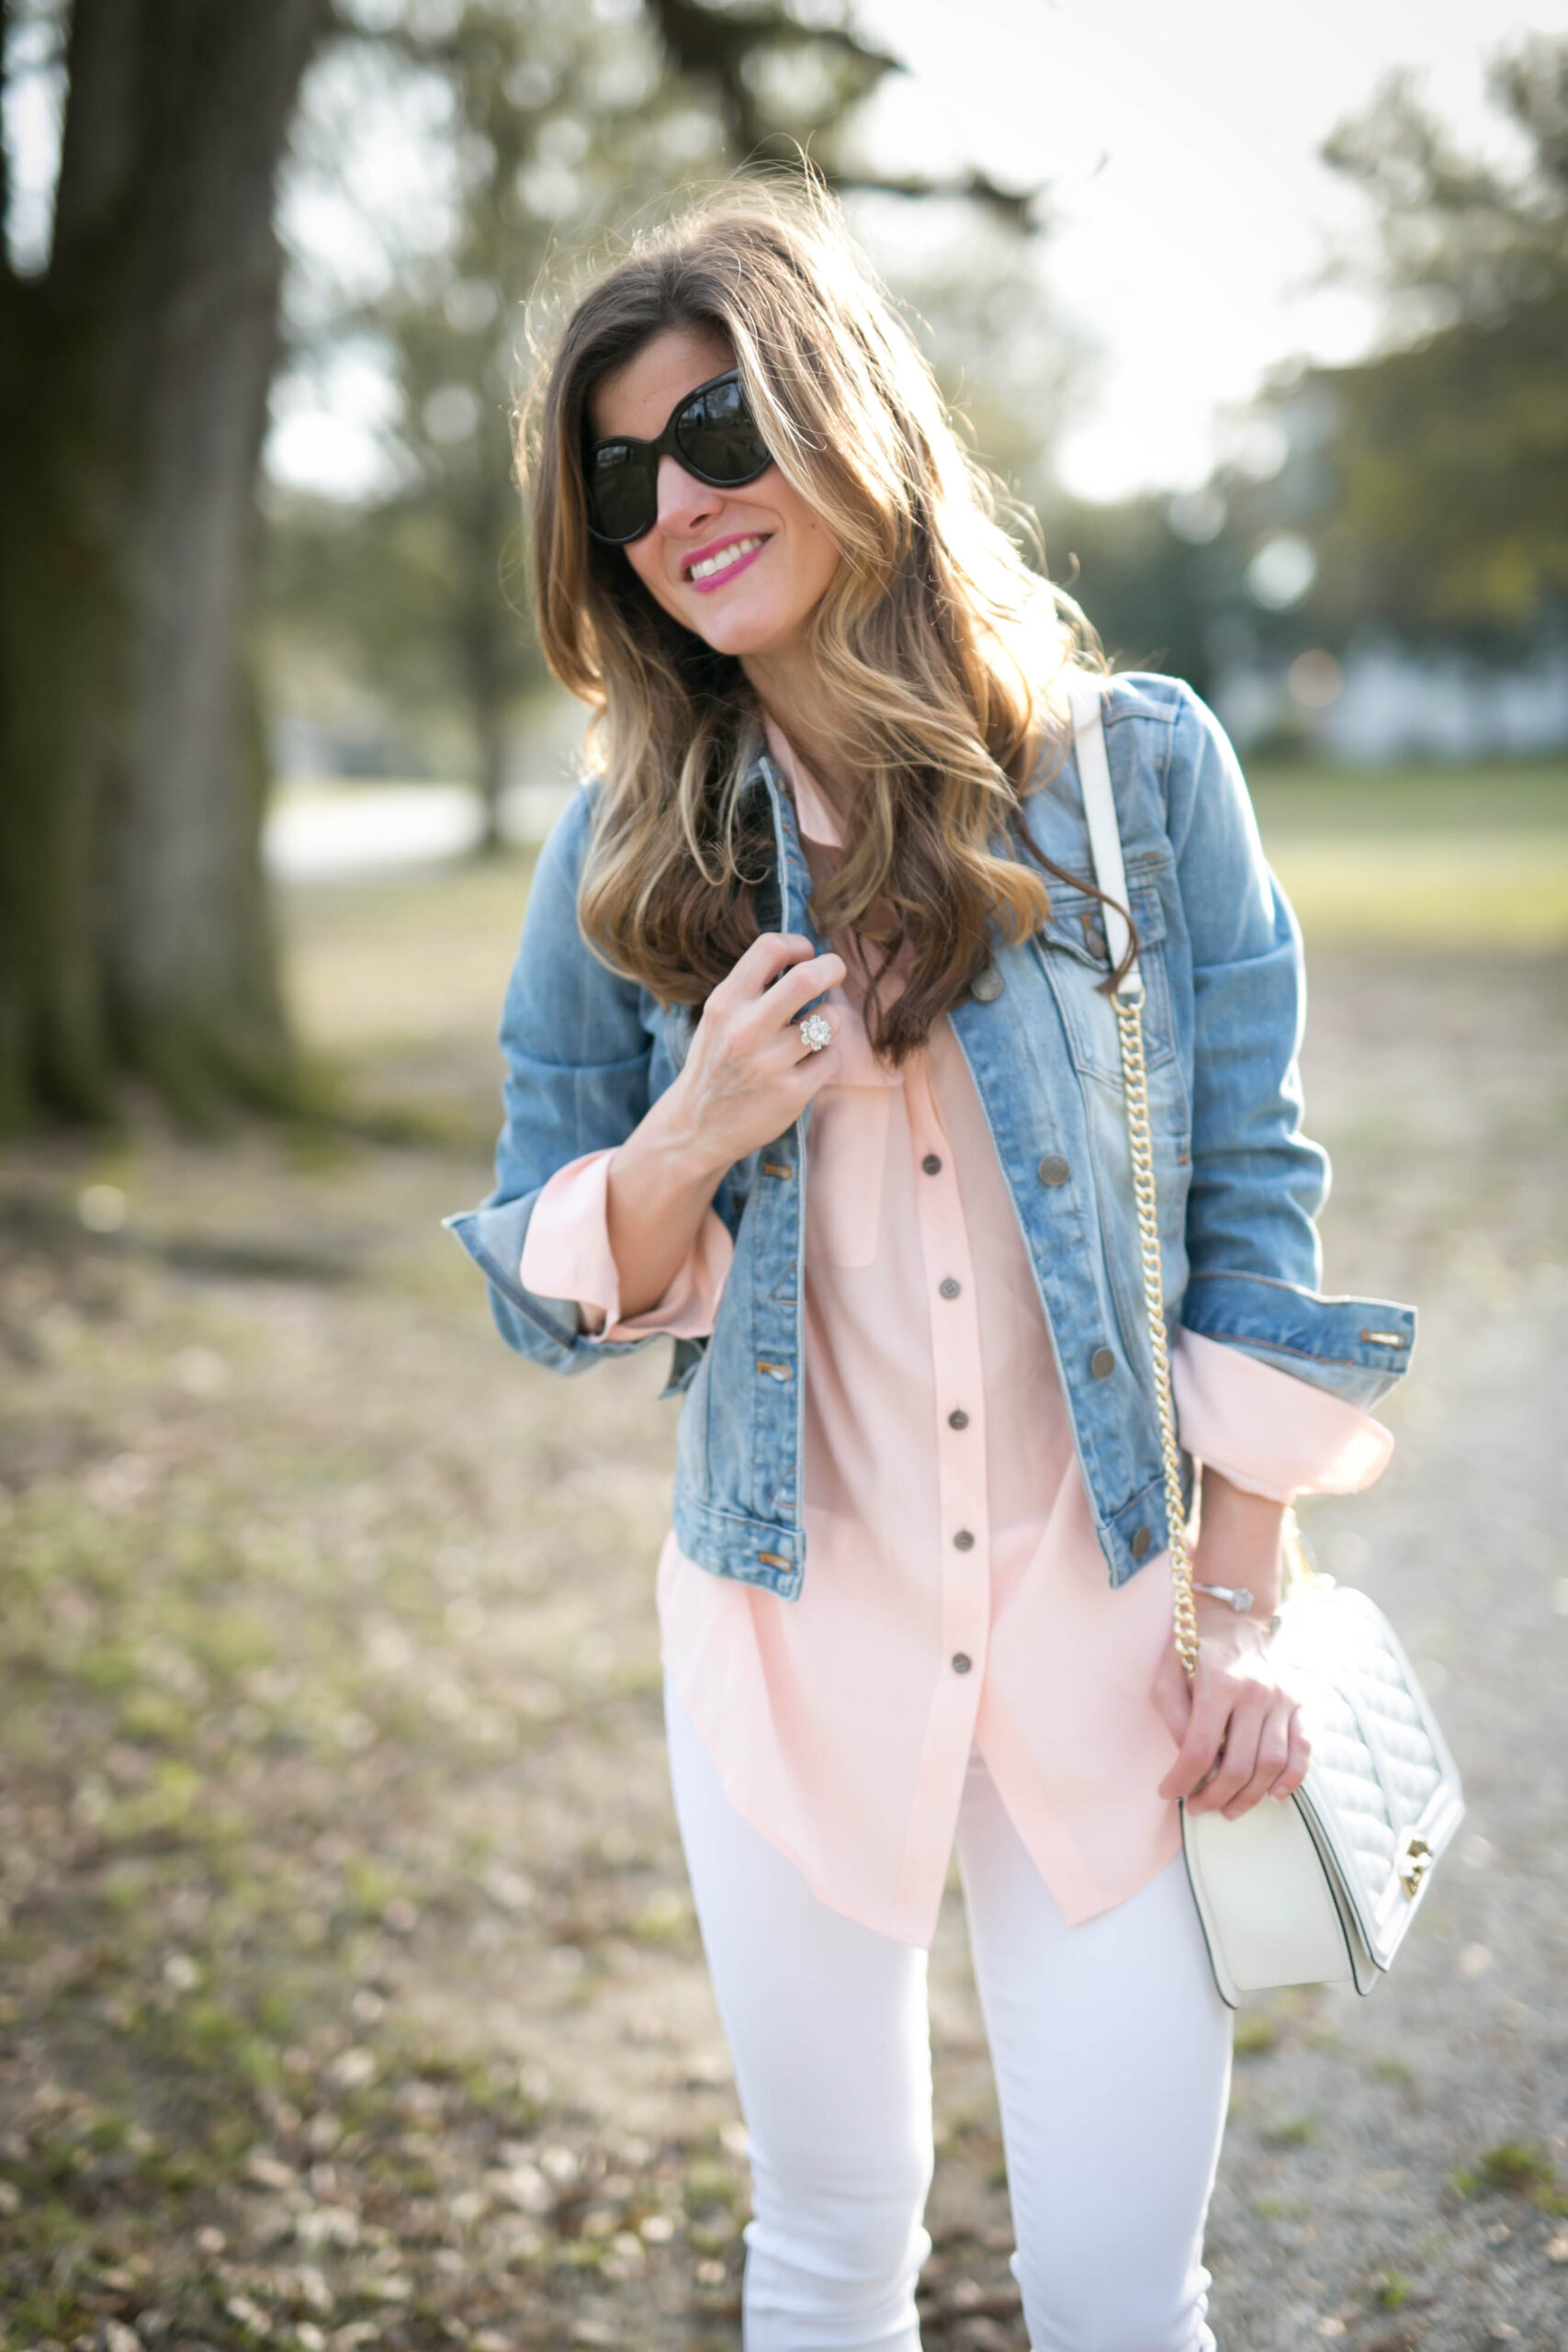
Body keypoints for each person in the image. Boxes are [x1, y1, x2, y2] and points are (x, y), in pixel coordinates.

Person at [446, 176, 1414, 2352]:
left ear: (837, 409)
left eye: (716, 429)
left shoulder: (1131, 774)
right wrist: (694, 1122)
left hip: (1107, 1653)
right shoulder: (622, 853)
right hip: (789, 1638)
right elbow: (540, 1277)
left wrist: (1241, 1605)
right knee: (822, 2252)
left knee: (1109, 2289)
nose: (675, 502)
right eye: (620, 475)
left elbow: (1253, 1210)